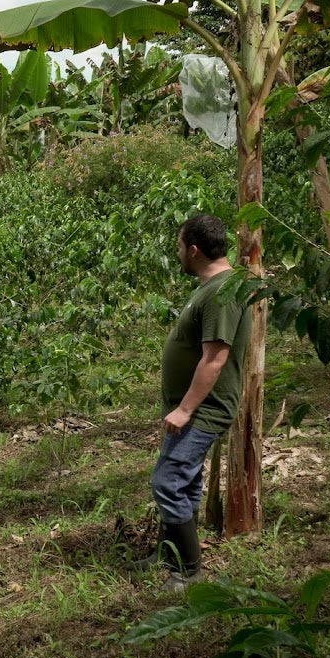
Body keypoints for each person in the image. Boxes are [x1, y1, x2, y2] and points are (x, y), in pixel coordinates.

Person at [131, 214, 251, 592]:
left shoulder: (221, 292)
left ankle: (188, 572)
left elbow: (215, 357)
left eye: (180, 247)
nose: (178, 253)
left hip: (204, 408)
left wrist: (185, 409)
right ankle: (169, 554)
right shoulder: (213, 287)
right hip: (193, 406)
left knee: (167, 481)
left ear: (195, 250)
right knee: (184, 481)